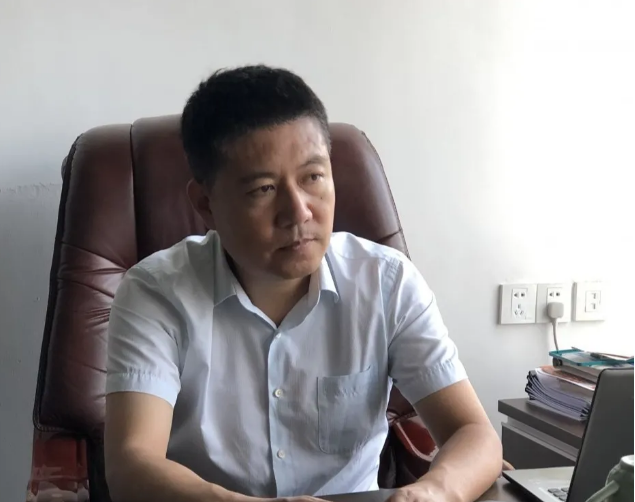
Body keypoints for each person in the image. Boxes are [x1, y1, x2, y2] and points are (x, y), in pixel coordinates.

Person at [103, 65, 502, 502]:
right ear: (206, 204)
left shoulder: (386, 282)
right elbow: (132, 464)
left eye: (313, 177)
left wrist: (434, 492)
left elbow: (472, 433)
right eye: (263, 189)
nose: (298, 212)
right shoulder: (156, 294)